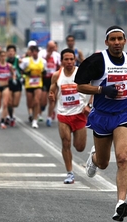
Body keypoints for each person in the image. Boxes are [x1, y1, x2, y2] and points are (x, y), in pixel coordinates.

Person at [74, 25, 127, 222]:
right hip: (101, 116)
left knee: (123, 157)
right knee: (103, 162)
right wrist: (102, 91)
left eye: (120, 39)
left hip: (123, 114)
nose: (117, 42)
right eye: (113, 39)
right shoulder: (96, 61)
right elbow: (80, 86)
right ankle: (93, 157)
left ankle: (121, 203)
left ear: (125, 41)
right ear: (107, 42)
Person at [48, 48, 92, 184]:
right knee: (65, 142)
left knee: (80, 147)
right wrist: (51, 96)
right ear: (61, 61)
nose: (69, 62)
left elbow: (92, 89)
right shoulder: (57, 75)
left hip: (79, 114)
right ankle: (70, 173)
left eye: (71, 59)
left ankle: (92, 158)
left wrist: (89, 105)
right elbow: (52, 90)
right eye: (66, 59)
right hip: (63, 114)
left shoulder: (81, 73)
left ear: (75, 60)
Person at [19, 45, 46, 128]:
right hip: (29, 84)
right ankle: (31, 114)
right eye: (32, 52)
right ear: (31, 53)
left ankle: (35, 120)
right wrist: (26, 74)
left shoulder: (43, 61)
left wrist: (42, 73)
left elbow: (45, 72)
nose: (34, 53)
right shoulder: (26, 61)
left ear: (38, 52)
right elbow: (20, 70)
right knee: (30, 103)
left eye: (35, 52)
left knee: (37, 101)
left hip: (38, 84)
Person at [39, 41, 61, 126]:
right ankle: (42, 106)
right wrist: (47, 57)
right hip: (44, 79)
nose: (52, 49)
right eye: (50, 47)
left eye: (53, 47)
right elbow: (40, 64)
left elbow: (59, 66)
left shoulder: (57, 55)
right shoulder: (42, 53)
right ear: (47, 47)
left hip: (53, 79)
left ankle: (49, 117)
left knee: (52, 99)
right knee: (43, 101)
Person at [6, 44, 22, 127]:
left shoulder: (18, 60)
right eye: (9, 51)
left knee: (15, 104)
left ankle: (10, 113)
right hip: (8, 82)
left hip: (17, 82)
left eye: (12, 51)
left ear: (15, 52)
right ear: (7, 52)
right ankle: (11, 116)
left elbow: (23, 69)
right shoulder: (4, 61)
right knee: (9, 101)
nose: (11, 53)